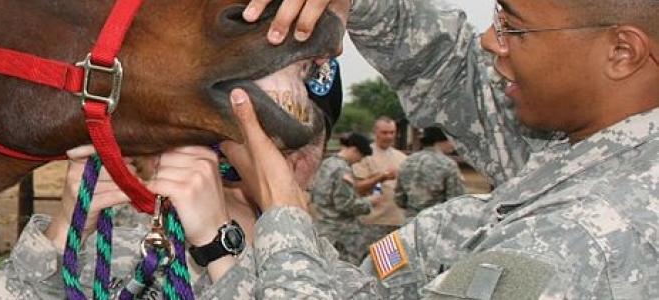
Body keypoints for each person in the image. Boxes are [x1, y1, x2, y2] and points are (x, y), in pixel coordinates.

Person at [223, 0, 659, 297]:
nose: (491, 41)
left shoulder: (585, 238)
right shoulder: (588, 140)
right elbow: (452, 71)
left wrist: (283, 212)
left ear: (622, 52)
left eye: (513, 26)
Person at [0, 59, 341, 298]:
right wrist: (63, 235)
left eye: (305, 144)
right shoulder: (120, 245)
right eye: (264, 136)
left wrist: (219, 252)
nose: (283, 160)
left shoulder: (339, 279)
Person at [308, 132, 383, 265]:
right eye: (361, 156)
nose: (360, 160)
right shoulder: (342, 170)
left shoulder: (327, 163)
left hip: (323, 228)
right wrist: (369, 202)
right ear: (354, 150)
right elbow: (345, 205)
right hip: (341, 235)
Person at [394, 126, 466, 219]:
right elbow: (456, 202)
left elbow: (399, 199)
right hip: (436, 224)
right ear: (443, 140)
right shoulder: (447, 164)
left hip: (411, 224)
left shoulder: (407, 161)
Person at [352, 117, 407, 226]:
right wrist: (382, 177)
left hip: (398, 221)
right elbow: (357, 188)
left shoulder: (403, 158)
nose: (389, 136)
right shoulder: (364, 156)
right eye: (384, 133)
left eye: (392, 132)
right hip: (372, 222)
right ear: (375, 132)